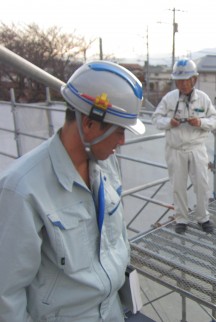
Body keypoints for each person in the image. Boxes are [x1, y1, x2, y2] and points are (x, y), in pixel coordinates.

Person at [0, 61, 146, 321]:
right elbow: (6, 294)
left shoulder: (105, 164)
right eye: (119, 131)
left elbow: (117, 236)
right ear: (89, 124)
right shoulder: (21, 189)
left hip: (112, 311)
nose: (122, 141)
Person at [152, 58, 216, 234]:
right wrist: (169, 122)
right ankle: (181, 218)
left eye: (185, 80)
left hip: (196, 148)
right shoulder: (169, 98)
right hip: (175, 150)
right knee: (178, 185)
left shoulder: (203, 99)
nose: (182, 84)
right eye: (178, 80)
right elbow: (155, 119)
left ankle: (203, 217)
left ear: (194, 79)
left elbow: (215, 120)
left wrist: (199, 122)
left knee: (202, 184)